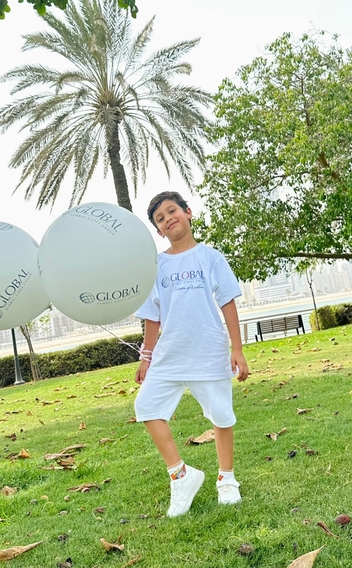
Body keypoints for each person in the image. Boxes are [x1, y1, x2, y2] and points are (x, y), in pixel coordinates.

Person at [134, 191, 249, 517]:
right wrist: (146, 356)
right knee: (146, 406)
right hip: (169, 354)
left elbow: (227, 301)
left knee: (221, 415)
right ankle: (181, 475)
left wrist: (237, 349)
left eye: (172, 211)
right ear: (159, 231)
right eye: (160, 219)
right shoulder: (156, 266)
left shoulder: (211, 257)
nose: (168, 219)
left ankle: (227, 479)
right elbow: (152, 316)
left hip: (208, 349)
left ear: (188, 212)